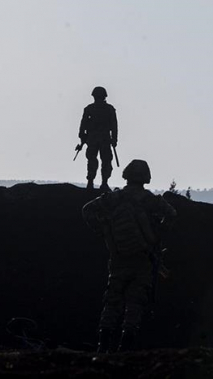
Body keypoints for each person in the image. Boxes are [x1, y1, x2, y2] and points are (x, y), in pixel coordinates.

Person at [82, 160, 177, 352]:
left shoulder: (114, 198)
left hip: (118, 258)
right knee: (135, 304)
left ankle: (103, 346)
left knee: (112, 302)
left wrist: (103, 231)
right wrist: (157, 233)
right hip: (143, 259)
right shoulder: (149, 200)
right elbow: (172, 214)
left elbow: (87, 210)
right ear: (145, 177)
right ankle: (125, 348)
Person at [77, 86, 118, 190]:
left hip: (100, 139)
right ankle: (93, 182)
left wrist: (114, 139)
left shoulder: (103, 109)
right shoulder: (94, 109)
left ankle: (100, 182)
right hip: (96, 139)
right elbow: (83, 125)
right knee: (96, 161)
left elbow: (114, 126)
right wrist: (82, 137)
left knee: (103, 161)